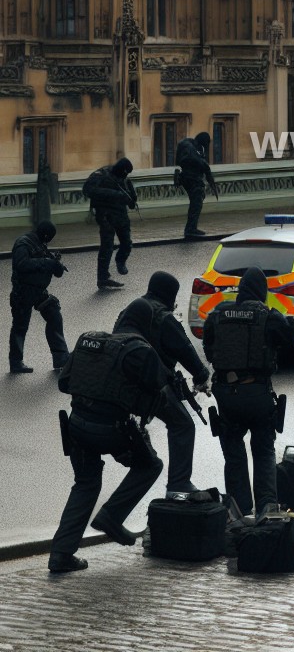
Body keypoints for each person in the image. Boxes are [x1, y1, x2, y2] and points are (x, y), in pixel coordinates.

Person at [49, 329, 167, 572]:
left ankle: (60, 555)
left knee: (85, 482)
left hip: (77, 425)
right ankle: (112, 515)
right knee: (150, 465)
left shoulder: (91, 342)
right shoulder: (140, 351)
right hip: (111, 429)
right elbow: (156, 393)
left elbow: (64, 383)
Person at [203, 267, 294, 515]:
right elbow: (289, 338)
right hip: (257, 393)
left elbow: (208, 348)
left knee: (233, 455)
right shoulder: (267, 315)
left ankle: (238, 510)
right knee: (264, 449)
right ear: (261, 291)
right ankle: (267, 508)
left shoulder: (218, 314)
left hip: (226, 395)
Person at [113, 271, 212, 499]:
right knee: (183, 424)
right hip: (147, 381)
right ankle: (179, 484)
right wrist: (201, 376)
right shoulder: (163, 316)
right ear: (170, 294)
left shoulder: (130, 310)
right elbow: (186, 350)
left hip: (117, 380)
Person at [9, 220, 69, 374]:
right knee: (20, 327)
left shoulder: (40, 244)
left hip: (38, 292)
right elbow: (21, 264)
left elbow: (52, 267)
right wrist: (46, 263)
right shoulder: (23, 244)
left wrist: (56, 265)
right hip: (23, 292)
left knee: (54, 316)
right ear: (46, 235)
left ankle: (61, 359)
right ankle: (16, 362)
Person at [83, 157, 137, 291]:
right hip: (105, 214)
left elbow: (129, 199)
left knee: (127, 243)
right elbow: (88, 190)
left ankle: (120, 260)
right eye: (125, 173)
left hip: (120, 214)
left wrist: (131, 198)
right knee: (107, 246)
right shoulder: (101, 174)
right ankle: (103, 278)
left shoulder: (124, 179)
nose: (125, 176)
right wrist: (114, 194)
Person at [176, 131, 217, 239]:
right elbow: (202, 164)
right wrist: (211, 180)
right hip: (191, 179)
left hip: (191, 178)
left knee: (196, 203)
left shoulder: (193, 147)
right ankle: (190, 229)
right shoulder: (190, 147)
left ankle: (191, 228)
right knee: (196, 203)